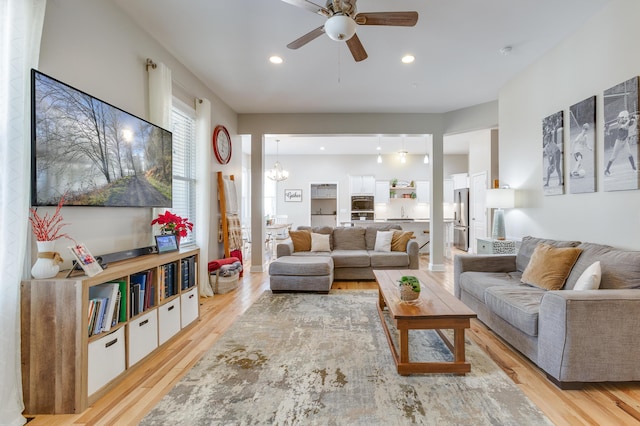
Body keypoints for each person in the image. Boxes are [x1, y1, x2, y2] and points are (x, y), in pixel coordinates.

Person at [604, 110, 637, 176]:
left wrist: (633, 117)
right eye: (621, 117)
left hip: (625, 141)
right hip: (619, 142)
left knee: (629, 154)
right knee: (613, 157)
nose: (620, 118)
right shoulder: (619, 123)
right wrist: (629, 120)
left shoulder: (627, 121)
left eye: (622, 117)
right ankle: (607, 170)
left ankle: (634, 168)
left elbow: (632, 122)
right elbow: (624, 126)